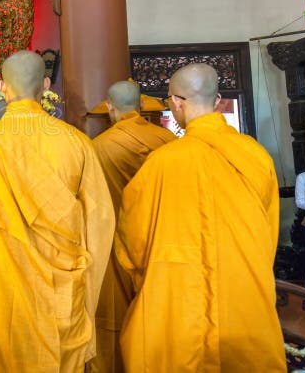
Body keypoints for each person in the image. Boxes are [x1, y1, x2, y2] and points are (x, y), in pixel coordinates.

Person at [0, 50, 115, 372]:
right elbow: (100, 222)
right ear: (47, 85)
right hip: (59, 290)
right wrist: (88, 292)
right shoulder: (75, 142)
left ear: (1, 87)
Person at [116, 63, 285, 371]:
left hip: (179, 301)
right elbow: (268, 231)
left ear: (176, 102)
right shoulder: (256, 155)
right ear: (218, 98)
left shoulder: (161, 164)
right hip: (245, 293)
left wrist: (152, 275)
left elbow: (134, 244)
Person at [88, 80, 176, 373]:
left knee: (116, 312)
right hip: (161, 240)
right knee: (162, 309)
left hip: (115, 246)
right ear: (141, 105)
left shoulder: (98, 148)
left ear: (109, 107)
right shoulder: (168, 142)